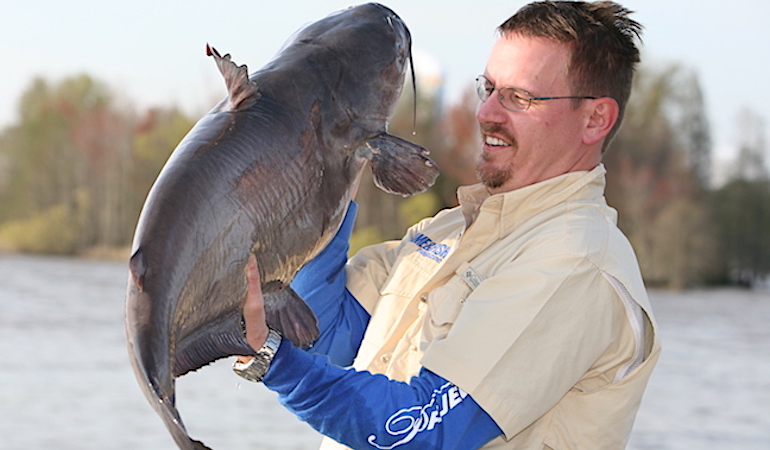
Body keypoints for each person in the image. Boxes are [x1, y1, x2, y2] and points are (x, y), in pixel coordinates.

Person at [236, 1, 661, 448]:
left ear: (595, 119)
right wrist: (329, 176)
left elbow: (425, 431)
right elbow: (324, 336)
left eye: (519, 98)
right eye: (490, 88)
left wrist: (272, 359)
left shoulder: (574, 261)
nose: (487, 114)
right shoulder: (447, 231)